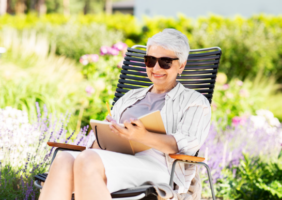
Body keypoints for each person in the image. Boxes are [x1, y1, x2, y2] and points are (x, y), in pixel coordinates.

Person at [39, 29, 211, 200]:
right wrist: (108, 134)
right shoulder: (130, 97)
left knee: (88, 160)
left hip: (160, 168)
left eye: (165, 62)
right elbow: (98, 148)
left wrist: (143, 136)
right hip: (118, 158)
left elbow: (185, 145)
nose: (156, 68)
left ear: (181, 65)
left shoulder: (194, 102)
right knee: (64, 159)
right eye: (150, 60)